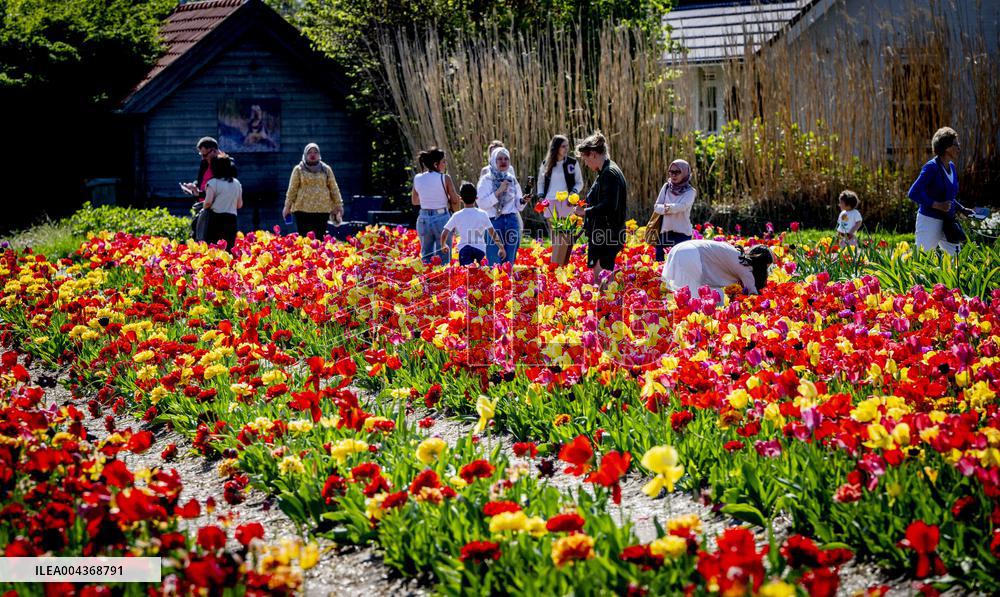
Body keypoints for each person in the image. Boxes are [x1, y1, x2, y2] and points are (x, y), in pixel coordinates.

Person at [907, 127, 975, 255]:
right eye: (956, 144)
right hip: (929, 221)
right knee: (922, 259)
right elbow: (913, 192)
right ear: (946, 147)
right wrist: (936, 205)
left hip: (948, 223)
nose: (959, 148)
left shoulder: (952, 167)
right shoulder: (931, 167)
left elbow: (949, 197)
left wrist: (962, 209)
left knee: (956, 260)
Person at [573, 131, 627, 283]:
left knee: (602, 282)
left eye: (585, 158)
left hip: (606, 235)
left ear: (593, 154)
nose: (586, 163)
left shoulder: (609, 173)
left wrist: (585, 212)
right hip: (604, 234)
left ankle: (607, 306)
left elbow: (609, 206)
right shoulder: (605, 171)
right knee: (601, 280)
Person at [662, 240, 773, 302]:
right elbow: (753, 297)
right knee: (691, 302)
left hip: (680, 247)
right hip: (691, 255)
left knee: (685, 297)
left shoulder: (738, 255)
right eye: (766, 268)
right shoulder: (747, 269)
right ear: (761, 266)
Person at [477, 147, 530, 265]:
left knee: (509, 261)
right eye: (499, 159)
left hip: (512, 220)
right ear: (493, 161)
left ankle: (507, 283)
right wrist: (498, 192)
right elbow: (482, 204)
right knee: (494, 261)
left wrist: (523, 201)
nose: (503, 161)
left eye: (506, 159)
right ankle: (496, 284)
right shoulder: (486, 180)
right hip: (493, 223)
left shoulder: (512, 179)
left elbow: (518, 205)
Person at [282, 143, 344, 240]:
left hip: (322, 209)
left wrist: (339, 205)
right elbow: (292, 189)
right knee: (304, 239)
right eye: (309, 152)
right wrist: (287, 207)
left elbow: (334, 188)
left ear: (319, 155)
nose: (312, 154)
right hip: (302, 210)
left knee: (319, 239)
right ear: (305, 155)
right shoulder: (299, 169)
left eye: (315, 152)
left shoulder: (326, 169)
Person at [412, 147, 462, 264]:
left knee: (426, 256)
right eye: (443, 162)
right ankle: (443, 281)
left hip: (423, 218)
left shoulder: (418, 178)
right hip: (442, 218)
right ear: (436, 164)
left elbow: (415, 201)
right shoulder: (444, 178)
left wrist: (428, 201)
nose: (445, 165)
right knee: (444, 256)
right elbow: (454, 200)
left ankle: (427, 281)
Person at [440, 182, 506, 266]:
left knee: (466, 275)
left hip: (464, 250)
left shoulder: (457, 215)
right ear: (476, 198)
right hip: (480, 250)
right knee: (480, 274)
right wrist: (501, 247)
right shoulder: (483, 214)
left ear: (461, 199)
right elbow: (492, 233)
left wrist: (443, 245)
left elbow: (445, 233)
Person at [650, 159, 695, 261]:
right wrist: (671, 208)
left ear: (685, 173)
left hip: (682, 235)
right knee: (660, 266)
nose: (673, 175)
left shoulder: (690, 192)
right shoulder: (666, 187)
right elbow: (657, 207)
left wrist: (665, 208)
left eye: (677, 172)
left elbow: (683, 206)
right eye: (671, 172)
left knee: (680, 265)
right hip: (664, 234)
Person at [536, 134, 584, 218]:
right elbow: (540, 182)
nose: (566, 148)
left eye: (567, 146)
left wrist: (573, 192)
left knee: (566, 230)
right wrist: (540, 196)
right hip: (549, 201)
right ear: (556, 147)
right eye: (563, 146)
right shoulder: (546, 164)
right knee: (553, 230)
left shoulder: (572, 163)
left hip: (566, 202)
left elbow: (579, 182)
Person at [203, 156, 242, 251]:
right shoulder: (236, 183)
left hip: (216, 220)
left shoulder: (212, 183)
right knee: (229, 248)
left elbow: (207, 203)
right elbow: (239, 205)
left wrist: (203, 207)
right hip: (231, 220)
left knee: (214, 249)